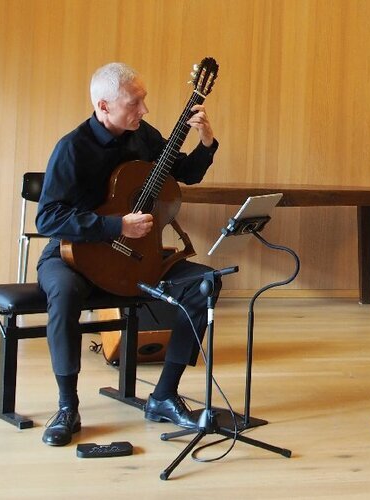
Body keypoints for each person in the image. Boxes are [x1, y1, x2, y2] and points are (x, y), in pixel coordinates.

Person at [35, 62, 220, 446]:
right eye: (135, 103)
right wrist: (116, 226)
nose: (144, 111)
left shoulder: (143, 136)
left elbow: (184, 173)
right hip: (74, 255)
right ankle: (67, 406)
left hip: (134, 255)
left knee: (204, 284)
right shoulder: (72, 148)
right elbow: (48, 217)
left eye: (144, 100)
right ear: (104, 106)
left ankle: (164, 395)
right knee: (64, 294)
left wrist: (205, 143)